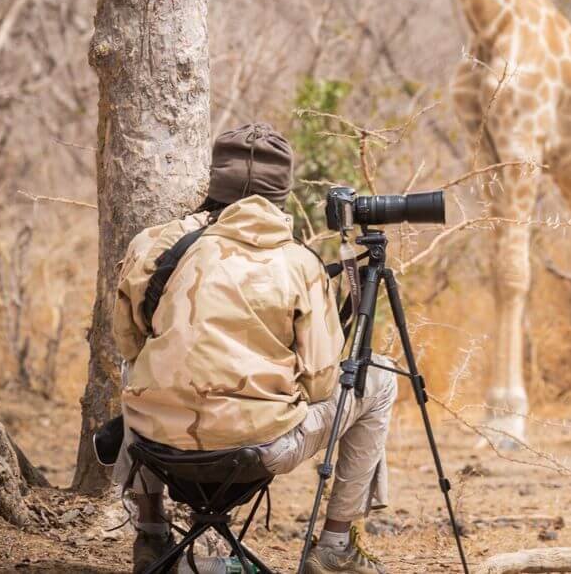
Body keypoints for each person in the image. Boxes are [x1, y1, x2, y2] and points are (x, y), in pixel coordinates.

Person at [112, 123, 397, 574]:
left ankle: (150, 532)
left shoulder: (153, 243)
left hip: (157, 444)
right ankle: (335, 547)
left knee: (139, 369)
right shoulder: (300, 262)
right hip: (260, 449)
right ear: (281, 192)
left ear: (213, 181)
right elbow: (324, 381)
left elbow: (127, 344)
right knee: (376, 373)